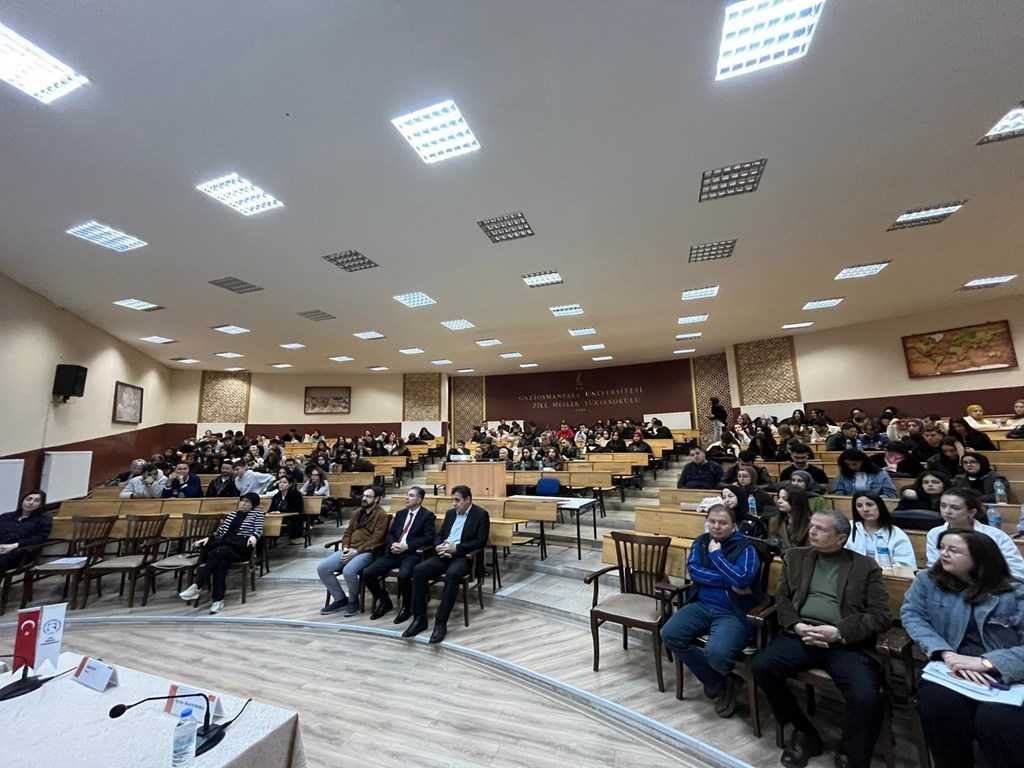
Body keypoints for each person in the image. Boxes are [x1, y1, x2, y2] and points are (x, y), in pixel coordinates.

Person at [752, 511, 893, 768]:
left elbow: (880, 616)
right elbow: (782, 599)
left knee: (866, 695)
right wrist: (797, 625)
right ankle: (804, 732)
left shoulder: (865, 567)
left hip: (845, 643)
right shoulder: (796, 557)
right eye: (811, 526)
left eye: (820, 528)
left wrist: (838, 632)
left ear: (840, 538)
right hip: (801, 635)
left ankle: (850, 753)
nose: (812, 532)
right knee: (762, 666)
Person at [901, 530, 1024, 768]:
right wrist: (945, 653)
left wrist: (987, 663)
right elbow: (912, 615)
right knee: (938, 707)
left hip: (1002, 674)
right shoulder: (928, 581)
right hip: (950, 668)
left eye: (954, 550)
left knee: (997, 722)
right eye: (942, 547)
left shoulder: (1015, 592)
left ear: (979, 558)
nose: (944, 554)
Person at [660, 504, 763, 717]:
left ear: (734, 526)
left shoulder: (746, 548)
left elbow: (742, 578)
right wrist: (729, 582)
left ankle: (718, 681)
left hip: (733, 612)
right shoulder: (701, 542)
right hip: (701, 605)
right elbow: (695, 572)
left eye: (722, 523)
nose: (716, 526)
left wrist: (716, 556)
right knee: (670, 634)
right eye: (712, 522)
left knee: (717, 653)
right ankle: (722, 682)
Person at [405, 486, 490, 644]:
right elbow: (440, 535)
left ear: (468, 500)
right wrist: (438, 546)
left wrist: (456, 548)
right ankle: (420, 618)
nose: (454, 503)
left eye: (457, 500)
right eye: (453, 500)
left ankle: (441, 622)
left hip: (463, 556)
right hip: (443, 553)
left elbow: (481, 541)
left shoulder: (480, 514)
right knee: (419, 570)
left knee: (452, 574)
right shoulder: (451, 514)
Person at [178, 492, 264, 614]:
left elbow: (258, 529)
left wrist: (254, 536)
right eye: (242, 500)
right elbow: (220, 532)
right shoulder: (232, 514)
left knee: (218, 552)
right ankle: (217, 601)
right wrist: (208, 538)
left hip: (240, 548)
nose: (243, 503)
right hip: (224, 547)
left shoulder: (257, 514)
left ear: (253, 504)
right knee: (220, 561)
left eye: (247, 502)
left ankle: (197, 586)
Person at [362, 486, 436, 622]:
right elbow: (390, 533)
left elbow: (429, 538)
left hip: (411, 553)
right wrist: (393, 544)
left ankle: (407, 607)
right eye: (407, 495)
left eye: (411, 496)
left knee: (404, 576)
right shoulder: (401, 514)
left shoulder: (427, 515)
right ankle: (384, 601)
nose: (407, 498)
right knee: (367, 573)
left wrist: (407, 546)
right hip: (394, 552)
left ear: (419, 500)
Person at [926, 488, 1024, 581]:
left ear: (971, 512)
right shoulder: (935, 533)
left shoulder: (995, 535)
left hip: (990, 585)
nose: (947, 511)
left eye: (955, 508)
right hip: (948, 583)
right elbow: (933, 567)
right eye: (943, 506)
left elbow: (1017, 570)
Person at [318, 486, 387, 617]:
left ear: (377, 499)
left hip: (367, 551)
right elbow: (348, 532)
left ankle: (353, 601)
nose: (364, 498)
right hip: (349, 548)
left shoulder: (381, 515)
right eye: (363, 495)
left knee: (348, 571)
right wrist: (345, 547)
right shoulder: (357, 512)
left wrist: (356, 552)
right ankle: (340, 598)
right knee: (323, 568)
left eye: (368, 496)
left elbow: (377, 539)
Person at [844, 491, 916, 568]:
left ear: (879, 506)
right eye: (859, 506)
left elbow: (905, 565)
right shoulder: (848, 528)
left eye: (869, 505)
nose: (865, 509)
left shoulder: (896, 533)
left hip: (886, 574)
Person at [0, 490, 51, 574]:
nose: (31, 502)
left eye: (36, 501)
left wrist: (14, 546)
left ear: (41, 504)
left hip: (21, 552)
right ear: (22, 500)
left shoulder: (43, 520)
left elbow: (39, 538)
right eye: (28, 499)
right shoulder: (5, 517)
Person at [832, 449, 898, 498]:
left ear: (863, 462)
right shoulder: (843, 475)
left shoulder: (880, 474)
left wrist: (873, 500)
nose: (851, 467)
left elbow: (890, 494)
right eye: (847, 464)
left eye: (854, 464)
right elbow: (839, 492)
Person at [767, 486, 813, 550]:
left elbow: (809, 550)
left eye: (784, 499)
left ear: (796, 501)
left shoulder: (810, 524)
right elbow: (771, 543)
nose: (779, 501)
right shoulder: (774, 520)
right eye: (779, 497)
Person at [267, 475, 305, 544]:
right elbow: (270, 510)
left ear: (290, 484)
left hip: (292, 518)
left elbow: (297, 509)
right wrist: (273, 512)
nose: (281, 484)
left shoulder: (296, 495)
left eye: (284, 482)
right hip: (278, 518)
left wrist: (281, 512)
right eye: (280, 482)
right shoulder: (276, 496)